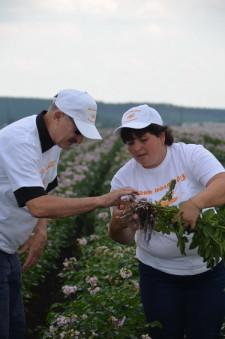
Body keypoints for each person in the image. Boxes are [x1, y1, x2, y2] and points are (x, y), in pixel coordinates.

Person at [0, 89, 135, 339]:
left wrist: (39, 230)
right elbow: (38, 204)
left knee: (16, 327)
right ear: (59, 115)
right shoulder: (21, 141)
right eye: (77, 131)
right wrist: (100, 200)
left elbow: (44, 190)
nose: (79, 140)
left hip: (8, 248)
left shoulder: (53, 140)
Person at [108, 104, 225, 339]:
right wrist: (121, 225)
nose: (137, 148)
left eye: (143, 138)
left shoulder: (190, 155)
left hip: (207, 272)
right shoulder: (124, 178)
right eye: (130, 142)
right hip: (157, 275)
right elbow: (120, 238)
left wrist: (195, 203)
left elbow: (222, 183)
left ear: (162, 136)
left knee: (205, 334)